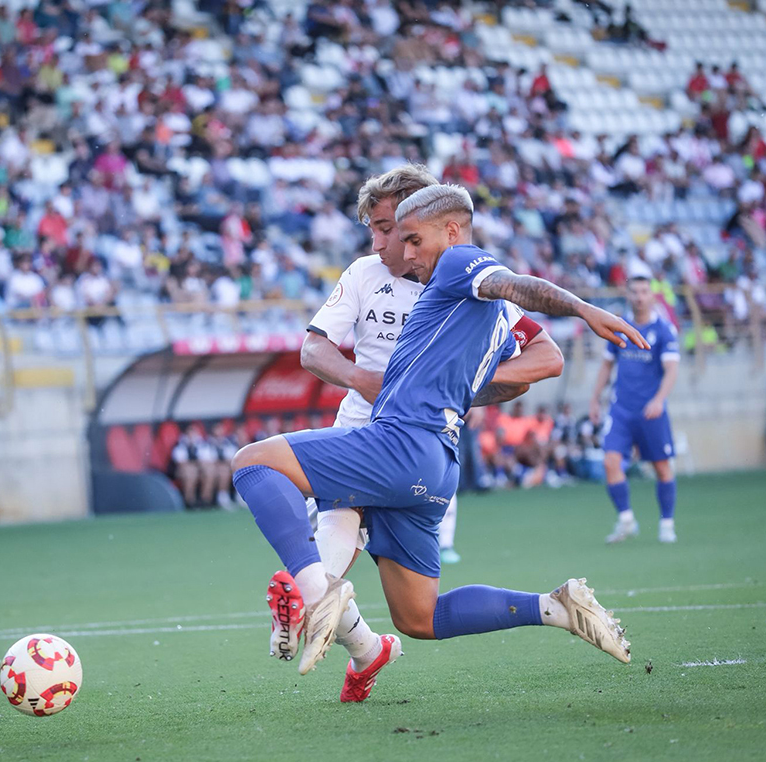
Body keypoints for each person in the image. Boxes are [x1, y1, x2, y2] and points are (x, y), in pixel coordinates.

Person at [232, 183, 646, 681]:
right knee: (419, 618)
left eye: (409, 238)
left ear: (449, 231)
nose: (402, 252)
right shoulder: (462, 306)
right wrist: (449, 388)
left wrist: (584, 308)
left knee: (252, 463)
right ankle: (556, 606)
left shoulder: (457, 263)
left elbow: (517, 289)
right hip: (436, 462)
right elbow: (508, 343)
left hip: (397, 441)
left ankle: (315, 593)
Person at [294, 164, 564, 700]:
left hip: (421, 445)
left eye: (387, 226)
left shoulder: (471, 284)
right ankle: (360, 641)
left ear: (427, 224)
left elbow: (545, 357)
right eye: (373, 227)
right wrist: (360, 377)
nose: (378, 240)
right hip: (360, 431)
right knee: (321, 553)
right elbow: (313, 347)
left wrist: (455, 387)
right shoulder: (365, 273)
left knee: (409, 610)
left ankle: (361, 641)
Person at [589, 276, 681, 544]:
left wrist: (659, 399)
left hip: (651, 411)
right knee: (610, 462)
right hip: (621, 410)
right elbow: (607, 364)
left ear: (652, 296)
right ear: (627, 294)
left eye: (644, 291)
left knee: (662, 468)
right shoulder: (620, 326)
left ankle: (667, 524)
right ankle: (626, 521)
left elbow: (671, 370)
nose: (639, 296)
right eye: (634, 291)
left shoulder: (664, 330)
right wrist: (595, 398)